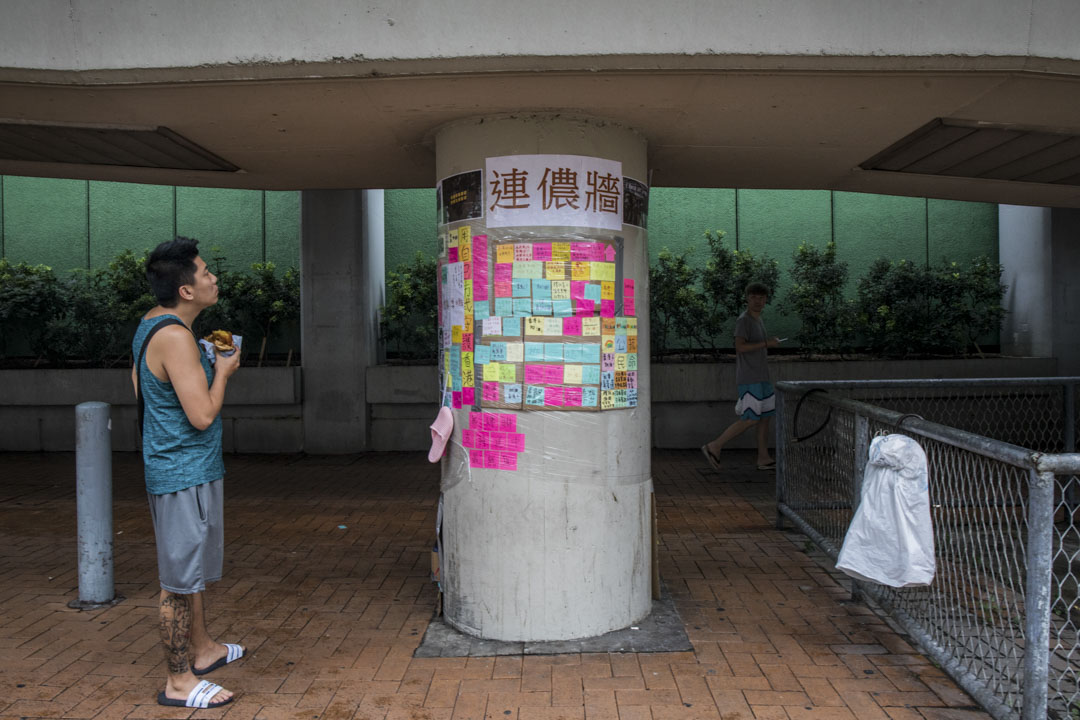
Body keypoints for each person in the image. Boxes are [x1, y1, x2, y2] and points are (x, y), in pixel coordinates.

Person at [131, 237, 244, 709]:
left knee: (191, 572)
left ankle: (203, 651)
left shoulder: (152, 323)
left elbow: (140, 386)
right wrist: (223, 370)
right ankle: (179, 682)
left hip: (183, 466)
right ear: (186, 290)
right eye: (203, 273)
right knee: (178, 583)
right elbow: (201, 415)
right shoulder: (175, 337)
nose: (212, 277)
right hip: (181, 472)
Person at [701, 282, 780, 472]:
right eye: (753, 297)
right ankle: (715, 446)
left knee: (765, 416)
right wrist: (766, 344)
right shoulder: (744, 321)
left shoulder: (757, 320)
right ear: (747, 298)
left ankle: (763, 457)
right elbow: (740, 347)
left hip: (761, 376)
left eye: (761, 298)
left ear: (765, 300)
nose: (757, 301)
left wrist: (765, 344)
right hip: (749, 377)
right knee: (751, 418)